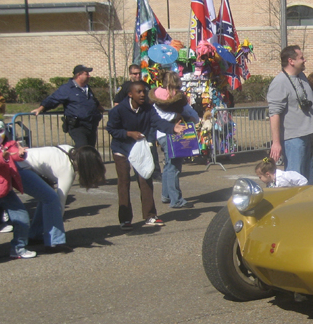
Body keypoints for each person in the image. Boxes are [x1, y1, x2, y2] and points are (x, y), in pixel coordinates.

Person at [106, 81, 186, 229]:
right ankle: (125, 219)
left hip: (139, 147)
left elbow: (158, 122)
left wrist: (172, 128)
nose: (142, 94)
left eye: (143, 91)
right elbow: (111, 129)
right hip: (121, 148)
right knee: (124, 182)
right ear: (130, 94)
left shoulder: (148, 109)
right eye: (138, 92)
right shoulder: (118, 110)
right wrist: (128, 133)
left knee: (145, 178)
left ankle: (150, 216)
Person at [19, 145, 106, 253]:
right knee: (52, 199)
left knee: (46, 197)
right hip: (20, 167)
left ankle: (34, 235)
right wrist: (57, 224)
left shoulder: (68, 149)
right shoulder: (67, 170)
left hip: (18, 162)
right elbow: (59, 203)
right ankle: (55, 242)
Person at [266, 45, 313, 181]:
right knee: (295, 179)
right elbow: (274, 114)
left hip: (308, 135)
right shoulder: (280, 82)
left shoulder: (301, 76)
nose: (304, 60)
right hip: (294, 140)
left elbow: (311, 102)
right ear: (291, 61)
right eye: (301, 58)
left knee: (309, 178)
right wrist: (276, 142)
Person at [0, 114, 35, 258]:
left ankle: (18, 248)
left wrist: (20, 153)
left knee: (22, 219)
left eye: (0, 131)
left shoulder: (6, 145)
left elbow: (14, 154)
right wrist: (4, 155)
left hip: (6, 191)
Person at [150, 72, 200, 209]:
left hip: (161, 134)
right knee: (174, 167)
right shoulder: (178, 99)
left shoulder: (155, 96)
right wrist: (184, 116)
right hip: (173, 133)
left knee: (168, 164)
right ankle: (176, 199)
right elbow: (192, 114)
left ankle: (166, 195)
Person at [32, 65, 103, 148]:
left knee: (90, 150)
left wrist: (102, 109)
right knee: (83, 148)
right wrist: (41, 108)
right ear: (78, 75)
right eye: (86, 74)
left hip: (91, 124)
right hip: (78, 125)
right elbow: (53, 99)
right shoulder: (67, 89)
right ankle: (75, 160)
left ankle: (87, 161)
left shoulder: (87, 88)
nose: (89, 76)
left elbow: (93, 101)